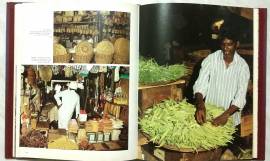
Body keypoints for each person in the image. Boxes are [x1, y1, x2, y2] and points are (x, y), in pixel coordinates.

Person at [193, 28, 250, 157]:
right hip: (210, 115)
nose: (226, 48)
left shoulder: (242, 66)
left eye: (229, 44)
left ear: (237, 44)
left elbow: (241, 97)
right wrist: (200, 105)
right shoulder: (211, 59)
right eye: (223, 44)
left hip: (230, 118)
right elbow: (200, 84)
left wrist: (225, 115)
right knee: (208, 151)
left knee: (225, 151)